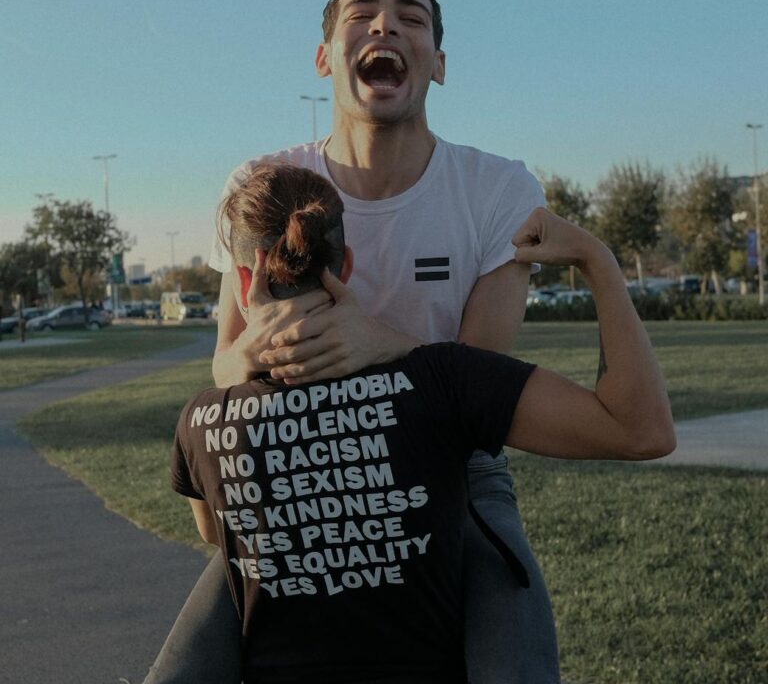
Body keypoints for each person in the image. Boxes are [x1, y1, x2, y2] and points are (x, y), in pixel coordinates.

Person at [146, 0, 563, 683]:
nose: (385, 28)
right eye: (362, 15)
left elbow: (482, 385)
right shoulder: (264, 183)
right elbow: (225, 360)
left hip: (453, 472)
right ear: (323, 57)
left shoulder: (499, 188)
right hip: (301, 465)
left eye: (411, 18)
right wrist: (257, 360)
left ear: (437, 61)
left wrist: (376, 343)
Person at [171, 163, 675, 684]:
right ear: (345, 266)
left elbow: (216, 532)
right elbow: (641, 430)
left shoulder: (202, 422)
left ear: (245, 281)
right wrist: (598, 261)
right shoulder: (442, 383)